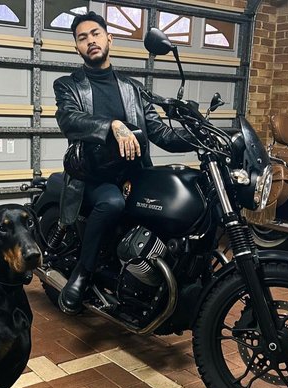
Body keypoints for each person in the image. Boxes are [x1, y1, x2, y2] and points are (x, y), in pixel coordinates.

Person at [53, 11, 194, 314]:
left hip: (136, 175)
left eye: (95, 34)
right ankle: (82, 271)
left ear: (109, 39)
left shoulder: (132, 88)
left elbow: (158, 131)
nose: (90, 40)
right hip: (92, 178)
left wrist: (197, 138)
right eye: (82, 37)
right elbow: (69, 119)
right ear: (77, 47)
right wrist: (112, 126)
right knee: (113, 203)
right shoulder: (69, 85)